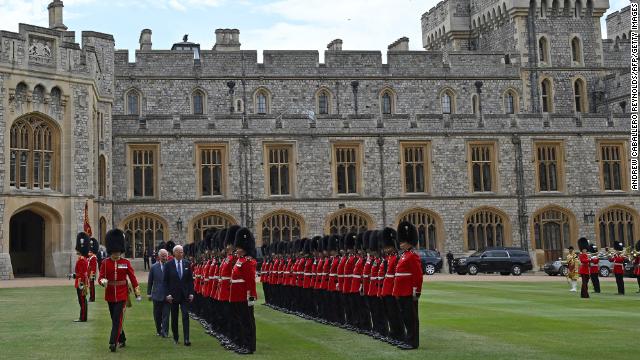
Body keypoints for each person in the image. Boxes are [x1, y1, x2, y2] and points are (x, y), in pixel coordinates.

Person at [98, 228, 141, 352]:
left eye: (118, 252)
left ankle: (113, 342)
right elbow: (101, 277)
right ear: (111, 250)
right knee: (114, 319)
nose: (117, 254)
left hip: (122, 294)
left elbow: (132, 278)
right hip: (110, 294)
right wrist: (103, 282)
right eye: (114, 252)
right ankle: (122, 338)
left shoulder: (125, 262)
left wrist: (137, 293)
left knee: (117, 319)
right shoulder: (105, 263)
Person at [393, 222, 423, 350]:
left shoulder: (412, 256)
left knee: (411, 318)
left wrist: (416, 291)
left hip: (409, 292)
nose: (400, 244)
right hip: (401, 291)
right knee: (405, 317)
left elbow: (418, 275)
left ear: (409, 242)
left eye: (403, 242)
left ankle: (413, 342)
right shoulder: (404, 255)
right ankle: (407, 339)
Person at [229, 227, 258, 354]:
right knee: (240, 321)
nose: (237, 249)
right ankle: (242, 343)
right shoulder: (240, 260)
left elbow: (250, 281)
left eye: (239, 247)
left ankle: (249, 346)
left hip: (245, 296)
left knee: (248, 321)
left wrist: (250, 297)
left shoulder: (248, 262)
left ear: (244, 248)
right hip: (236, 295)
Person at [163, 244, 194, 346]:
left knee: (185, 316)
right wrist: (167, 294)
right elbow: (165, 282)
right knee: (174, 317)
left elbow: (190, 280)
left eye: (182, 252)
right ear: (174, 253)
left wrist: (191, 293)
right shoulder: (168, 265)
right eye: (179, 252)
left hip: (185, 295)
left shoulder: (187, 263)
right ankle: (176, 337)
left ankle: (186, 339)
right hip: (173, 296)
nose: (181, 254)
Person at [148, 249, 170, 337]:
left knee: (166, 315)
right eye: (163, 256)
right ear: (159, 256)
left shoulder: (170, 266)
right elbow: (150, 281)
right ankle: (158, 330)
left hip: (167, 294)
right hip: (156, 294)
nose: (164, 258)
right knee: (157, 315)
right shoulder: (153, 267)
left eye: (166, 256)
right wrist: (149, 293)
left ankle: (165, 332)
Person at [73, 232, 90, 322]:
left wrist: (75, 276)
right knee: (82, 300)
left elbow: (82, 273)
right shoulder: (83, 259)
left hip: (81, 282)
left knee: (82, 301)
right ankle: (83, 316)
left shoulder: (82, 260)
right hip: (82, 281)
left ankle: (83, 317)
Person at [88, 238, 99, 302]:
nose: (88, 253)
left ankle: (92, 298)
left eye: (90, 252)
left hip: (91, 274)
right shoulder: (90, 258)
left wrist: (92, 275)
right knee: (90, 287)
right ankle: (91, 297)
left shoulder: (94, 258)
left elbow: (93, 267)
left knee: (92, 287)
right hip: (89, 274)